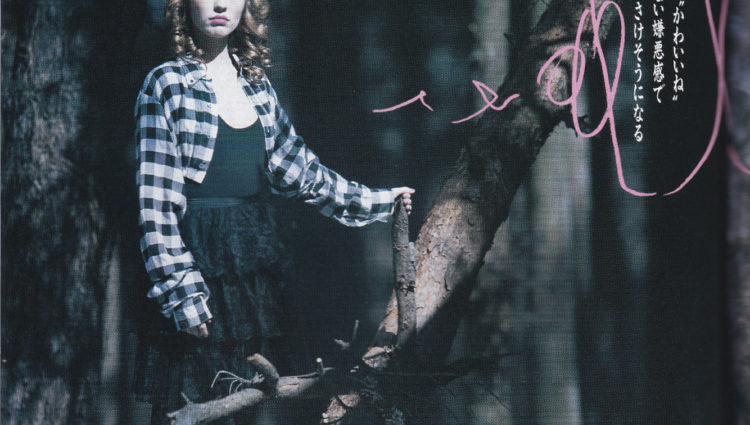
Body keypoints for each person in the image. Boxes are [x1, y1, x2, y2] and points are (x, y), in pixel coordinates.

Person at [132, 0, 414, 423]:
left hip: (251, 269)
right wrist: (182, 293)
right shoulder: (166, 83)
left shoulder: (257, 86)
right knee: (188, 406)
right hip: (196, 267)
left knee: (250, 400)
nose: (220, 4)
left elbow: (304, 174)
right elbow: (155, 205)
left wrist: (380, 202)